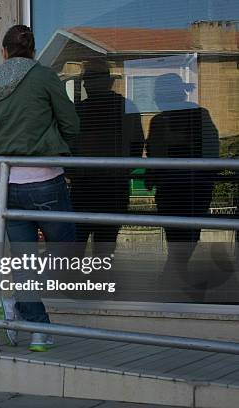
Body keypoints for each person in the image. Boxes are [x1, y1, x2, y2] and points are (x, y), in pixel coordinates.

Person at [0, 25, 79, 351]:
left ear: (4, 52)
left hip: (4, 183)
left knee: (23, 260)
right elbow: (71, 124)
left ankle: (34, 325)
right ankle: (26, 310)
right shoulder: (44, 76)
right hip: (43, 179)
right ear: (32, 51)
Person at [145, 73, 219, 290]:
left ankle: (171, 280)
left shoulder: (165, 120)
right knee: (185, 236)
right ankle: (173, 279)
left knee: (181, 237)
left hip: (182, 187)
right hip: (190, 187)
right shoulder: (195, 115)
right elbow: (212, 150)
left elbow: (154, 154)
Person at [71, 60, 145, 257]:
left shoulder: (78, 111)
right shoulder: (126, 107)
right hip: (112, 186)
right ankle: (97, 285)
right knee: (103, 248)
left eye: (87, 79)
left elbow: (67, 145)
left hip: (86, 186)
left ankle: (72, 286)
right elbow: (137, 145)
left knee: (76, 247)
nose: (86, 84)